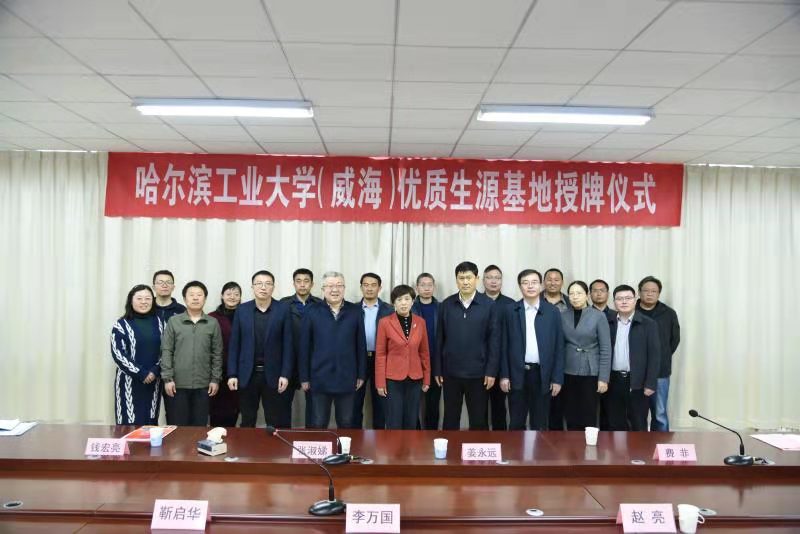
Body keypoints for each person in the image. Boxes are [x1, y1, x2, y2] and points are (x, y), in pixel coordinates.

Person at [435, 261, 499, 431]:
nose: (465, 282)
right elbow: (440, 339)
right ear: (456, 280)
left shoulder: (489, 305)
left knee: (478, 420)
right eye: (461, 278)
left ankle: (477, 449)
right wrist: (438, 369)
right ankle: (451, 449)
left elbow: (494, 341)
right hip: (450, 373)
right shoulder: (446, 305)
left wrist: (491, 371)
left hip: (479, 374)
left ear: (476, 279)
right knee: (450, 418)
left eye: (469, 278)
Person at [299, 271, 366, 429]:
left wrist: (361, 374)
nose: (335, 289)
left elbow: (360, 345)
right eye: (330, 286)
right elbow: (304, 347)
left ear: (344, 288)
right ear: (323, 289)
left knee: (346, 422)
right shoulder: (311, 311)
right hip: (319, 377)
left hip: (347, 377)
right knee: (318, 422)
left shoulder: (355, 311)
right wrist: (304, 377)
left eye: (339, 285)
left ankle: (344, 447)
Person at [227, 271, 294, 428]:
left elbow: (288, 345)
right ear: (252, 287)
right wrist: (232, 374)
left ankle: (273, 445)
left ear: (273, 287)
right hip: (247, 374)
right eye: (259, 283)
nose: (263, 287)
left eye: (268, 284)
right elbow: (235, 344)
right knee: (247, 419)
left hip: (274, 375)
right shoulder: (242, 310)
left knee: (274, 420)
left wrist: (285, 374)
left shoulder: (283, 309)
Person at [500, 269, 564, 430]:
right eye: (525, 283)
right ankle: (516, 448)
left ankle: (539, 448)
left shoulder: (552, 311)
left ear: (541, 285)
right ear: (520, 286)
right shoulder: (510, 311)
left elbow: (559, 347)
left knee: (540, 424)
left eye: (534, 282)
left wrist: (557, 378)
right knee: (516, 423)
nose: (530, 286)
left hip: (542, 375)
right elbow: (503, 345)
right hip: (517, 374)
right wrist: (504, 375)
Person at [161, 281, 223, 426]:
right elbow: (166, 350)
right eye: (191, 295)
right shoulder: (174, 321)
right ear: (184, 298)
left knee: (199, 426)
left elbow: (217, 353)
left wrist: (215, 379)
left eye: (199, 295)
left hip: (203, 385)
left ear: (205, 298)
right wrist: (167, 379)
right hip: (177, 385)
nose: (195, 298)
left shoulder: (212, 323)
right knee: (178, 426)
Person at [603, 285, 660, 431]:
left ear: (635, 300)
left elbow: (654, 356)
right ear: (614, 302)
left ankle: (638, 447)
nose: (624, 302)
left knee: (638, 422)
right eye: (619, 299)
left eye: (628, 298)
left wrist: (650, 383)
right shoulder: (607, 322)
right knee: (615, 421)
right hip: (613, 379)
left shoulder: (648, 324)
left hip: (637, 381)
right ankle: (617, 447)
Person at [376, 285, 431, 430]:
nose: (403, 303)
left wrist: (426, 378)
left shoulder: (420, 322)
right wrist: (380, 382)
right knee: (394, 420)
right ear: (393, 303)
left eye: (407, 299)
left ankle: (410, 446)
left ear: (412, 301)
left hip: (415, 378)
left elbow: (424, 353)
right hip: (392, 379)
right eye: (399, 299)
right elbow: (380, 354)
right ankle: (394, 445)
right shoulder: (385, 322)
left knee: (411, 420)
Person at [560, 281, 611, 431]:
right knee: (570, 411)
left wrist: (603, 378)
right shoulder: (562, 315)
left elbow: (606, 348)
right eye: (571, 294)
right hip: (568, 369)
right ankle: (572, 444)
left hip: (590, 370)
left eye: (579, 293)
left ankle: (588, 443)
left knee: (588, 412)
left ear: (587, 295)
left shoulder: (598, 316)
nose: (575, 297)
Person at [110, 284, 163, 425]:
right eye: (139, 298)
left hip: (154, 381)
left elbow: (167, 351)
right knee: (128, 424)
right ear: (131, 301)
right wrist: (141, 373)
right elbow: (118, 353)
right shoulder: (121, 324)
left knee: (150, 424)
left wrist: (154, 371)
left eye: (147, 298)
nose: (144, 302)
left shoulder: (160, 322)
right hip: (128, 382)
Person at [636, 276, 681, 432]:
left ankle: (661, 444)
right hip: (635, 373)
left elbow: (674, 340)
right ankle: (637, 444)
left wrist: (660, 357)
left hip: (660, 372)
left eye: (653, 291)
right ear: (639, 292)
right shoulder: (631, 310)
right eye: (646, 290)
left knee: (659, 413)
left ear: (659, 293)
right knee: (635, 414)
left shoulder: (668, 313)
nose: (649, 294)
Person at [280, 268, 322, 428]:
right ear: (293, 283)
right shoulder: (283, 304)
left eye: (306, 281)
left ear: (312, 284)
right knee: (283, 404)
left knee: (314, 406)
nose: (302, 285)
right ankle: (284, 438)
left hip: (313, 361)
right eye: (299, 281)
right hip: (288, 360)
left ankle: (311, 436)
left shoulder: (320, 304)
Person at [353, 272, 393, 429]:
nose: (369, 288)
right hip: (357, 359)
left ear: (380, 288)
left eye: (373, 285)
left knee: (381, 403)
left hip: (381, 359)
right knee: (355, 402)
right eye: (366, 285)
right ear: (361, 287)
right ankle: (355, 437)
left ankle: (379, 438)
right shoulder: (352, 309)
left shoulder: (389, 310)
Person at [482, 265, 515, 431]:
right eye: (489, 277)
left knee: (500, 407)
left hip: (503, 364)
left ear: (502, 281)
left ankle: (500, 440)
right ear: (483, 280)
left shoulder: (511, 305)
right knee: (479, 409)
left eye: (497, 278)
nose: (493, 281)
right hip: (480, 363)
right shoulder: (476, 301)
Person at [208, 281, 242, 427]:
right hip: (218, 371)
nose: (232, 297)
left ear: (240, 297)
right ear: (222, 296)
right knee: (217, 411)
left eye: (236, 294)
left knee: (235, 409)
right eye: (228, 293)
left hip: (240, 371)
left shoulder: (246, 314)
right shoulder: (212, 317)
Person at [411, 272, 441, 430]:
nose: (426, 288)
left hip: (435, 361)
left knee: (433, 403)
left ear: (434, 287)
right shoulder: (410, 307)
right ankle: (414, 434)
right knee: (413, 402)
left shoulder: (441, 307)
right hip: (414, 361)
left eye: (430, 285)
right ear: (417, 287)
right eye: (423, 285)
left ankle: (431, 434)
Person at [544, 268, 570, 430]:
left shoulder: (571, 303)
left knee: (559, 405)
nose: (553, 283)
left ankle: (556, 440)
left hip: (566, 359)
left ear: (562, 282)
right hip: (540, 359)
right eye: (549, 279)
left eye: (556, 279)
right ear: (543, 282)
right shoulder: (533, 300)